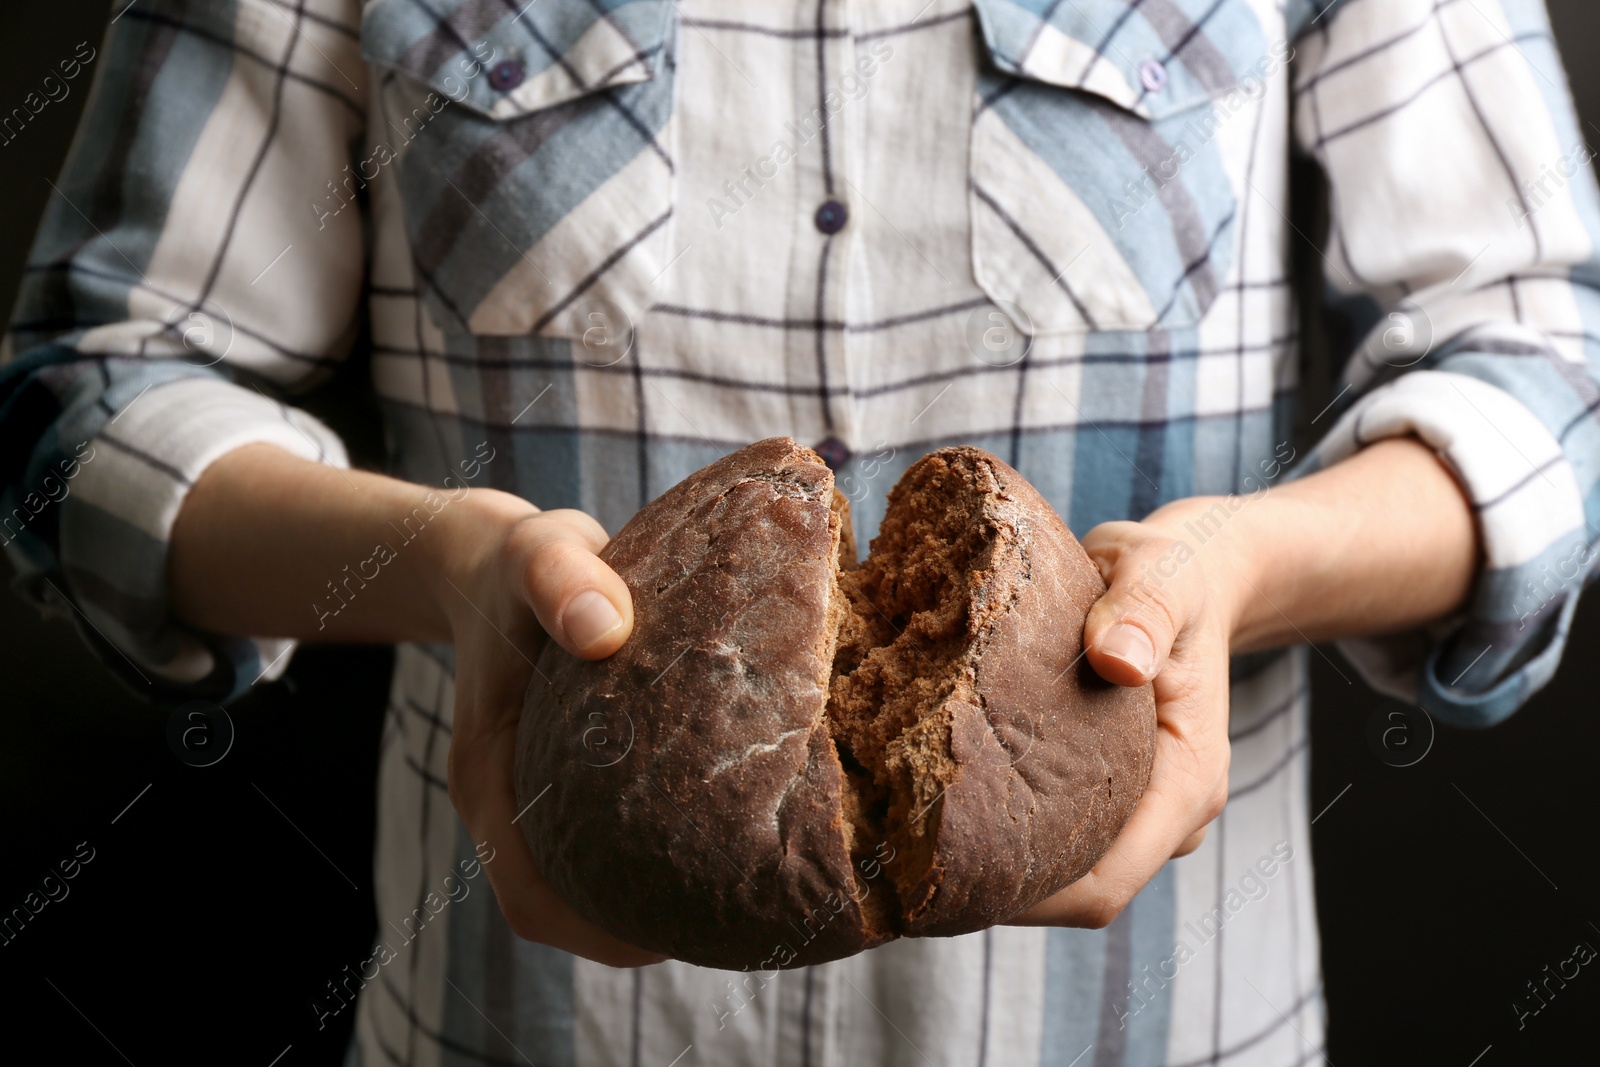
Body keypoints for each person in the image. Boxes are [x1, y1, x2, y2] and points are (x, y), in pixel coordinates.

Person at [3, 0, 1597, 1063]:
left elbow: (1548, 371)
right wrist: (450, 564)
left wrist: (1234, 567)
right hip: (525, 1021)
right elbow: (91, 400)